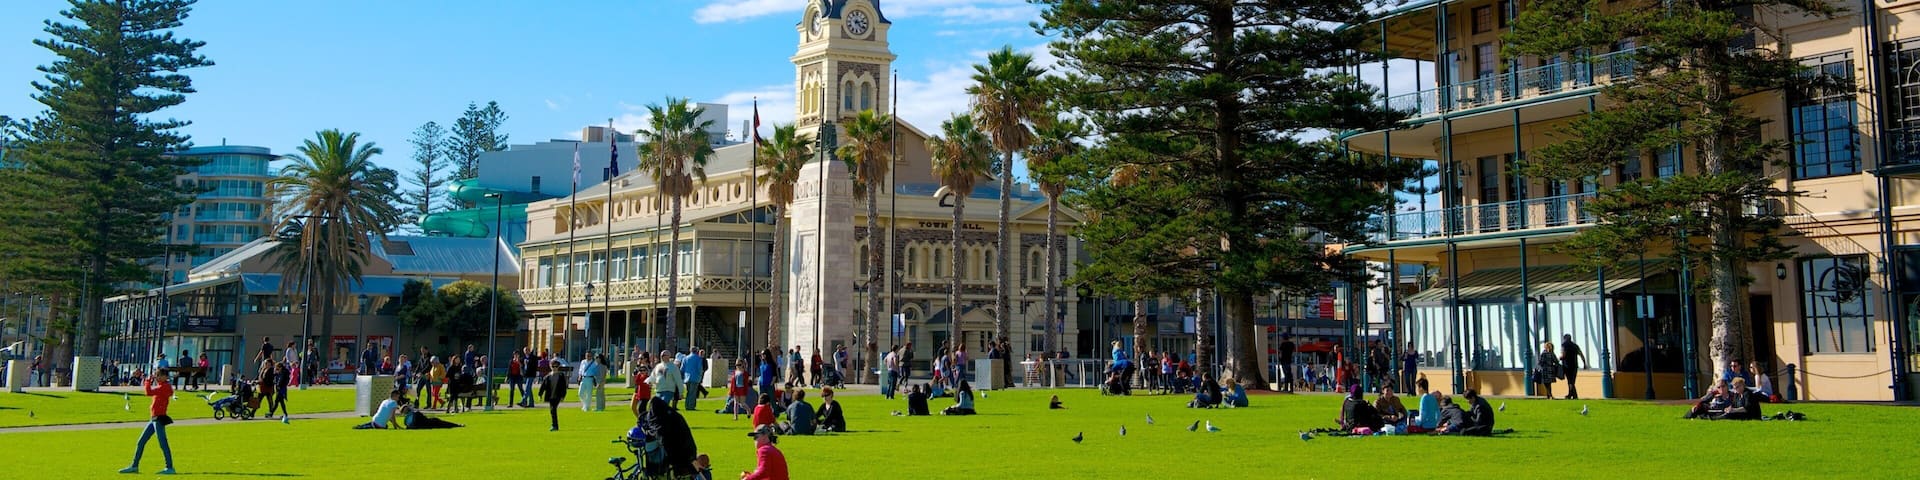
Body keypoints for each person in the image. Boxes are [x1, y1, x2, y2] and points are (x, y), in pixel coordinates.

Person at [118, 369, 176, 474]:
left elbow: (148, 392)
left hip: (158, 418)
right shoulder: (163, 386)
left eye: (159, 375)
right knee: (141, 442)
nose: (157, 377)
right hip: (154, 418)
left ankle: (170, 467)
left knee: (163, 443)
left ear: (165, 377)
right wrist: (149, 381)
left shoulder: (164, 387)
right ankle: (134, 466)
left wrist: (147, 381)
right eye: (156, 375)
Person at [538, 359, 569, 431]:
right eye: (553, 366)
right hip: (550, 396)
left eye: (556, 366)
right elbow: (543, 386)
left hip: (557, 396)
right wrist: (540, 394)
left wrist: (563, 396)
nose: (554, 368)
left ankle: (554, 426)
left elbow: (564, 387)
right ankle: (555, 426)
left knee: (553, 410)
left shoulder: (561, 376)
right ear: (550, 366)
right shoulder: (548, 377)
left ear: (558, 367)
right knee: (552, 410)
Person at [1560, 334, 1587, 399]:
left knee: (1570, 381)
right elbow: (1581, 354)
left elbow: (1563, 355)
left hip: (1567, 365)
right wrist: (1584, 363)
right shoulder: (1575, 346)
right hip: (1574, 366)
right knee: (1572, 381)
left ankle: (1574, 395)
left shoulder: (1564, 345)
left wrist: (1559, 358)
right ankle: (1570, 394)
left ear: (1565, 338)